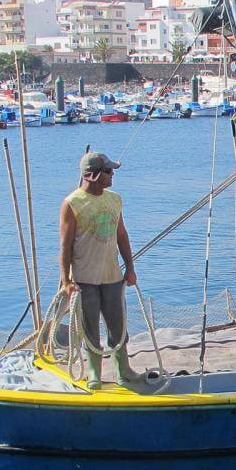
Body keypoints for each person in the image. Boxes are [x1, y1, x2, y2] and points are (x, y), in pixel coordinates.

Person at [58, 151, 144, 389]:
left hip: (112, 275)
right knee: (89, 327)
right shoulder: (72, 203)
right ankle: (94, 372)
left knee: (118, 325)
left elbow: (122, 235)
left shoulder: (115, 199)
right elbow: (65, 246)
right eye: (108, 171)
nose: (112, 175)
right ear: (93, 175)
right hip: (85, 278)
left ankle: (123, 370)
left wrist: (130, 268)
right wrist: (66, 281)